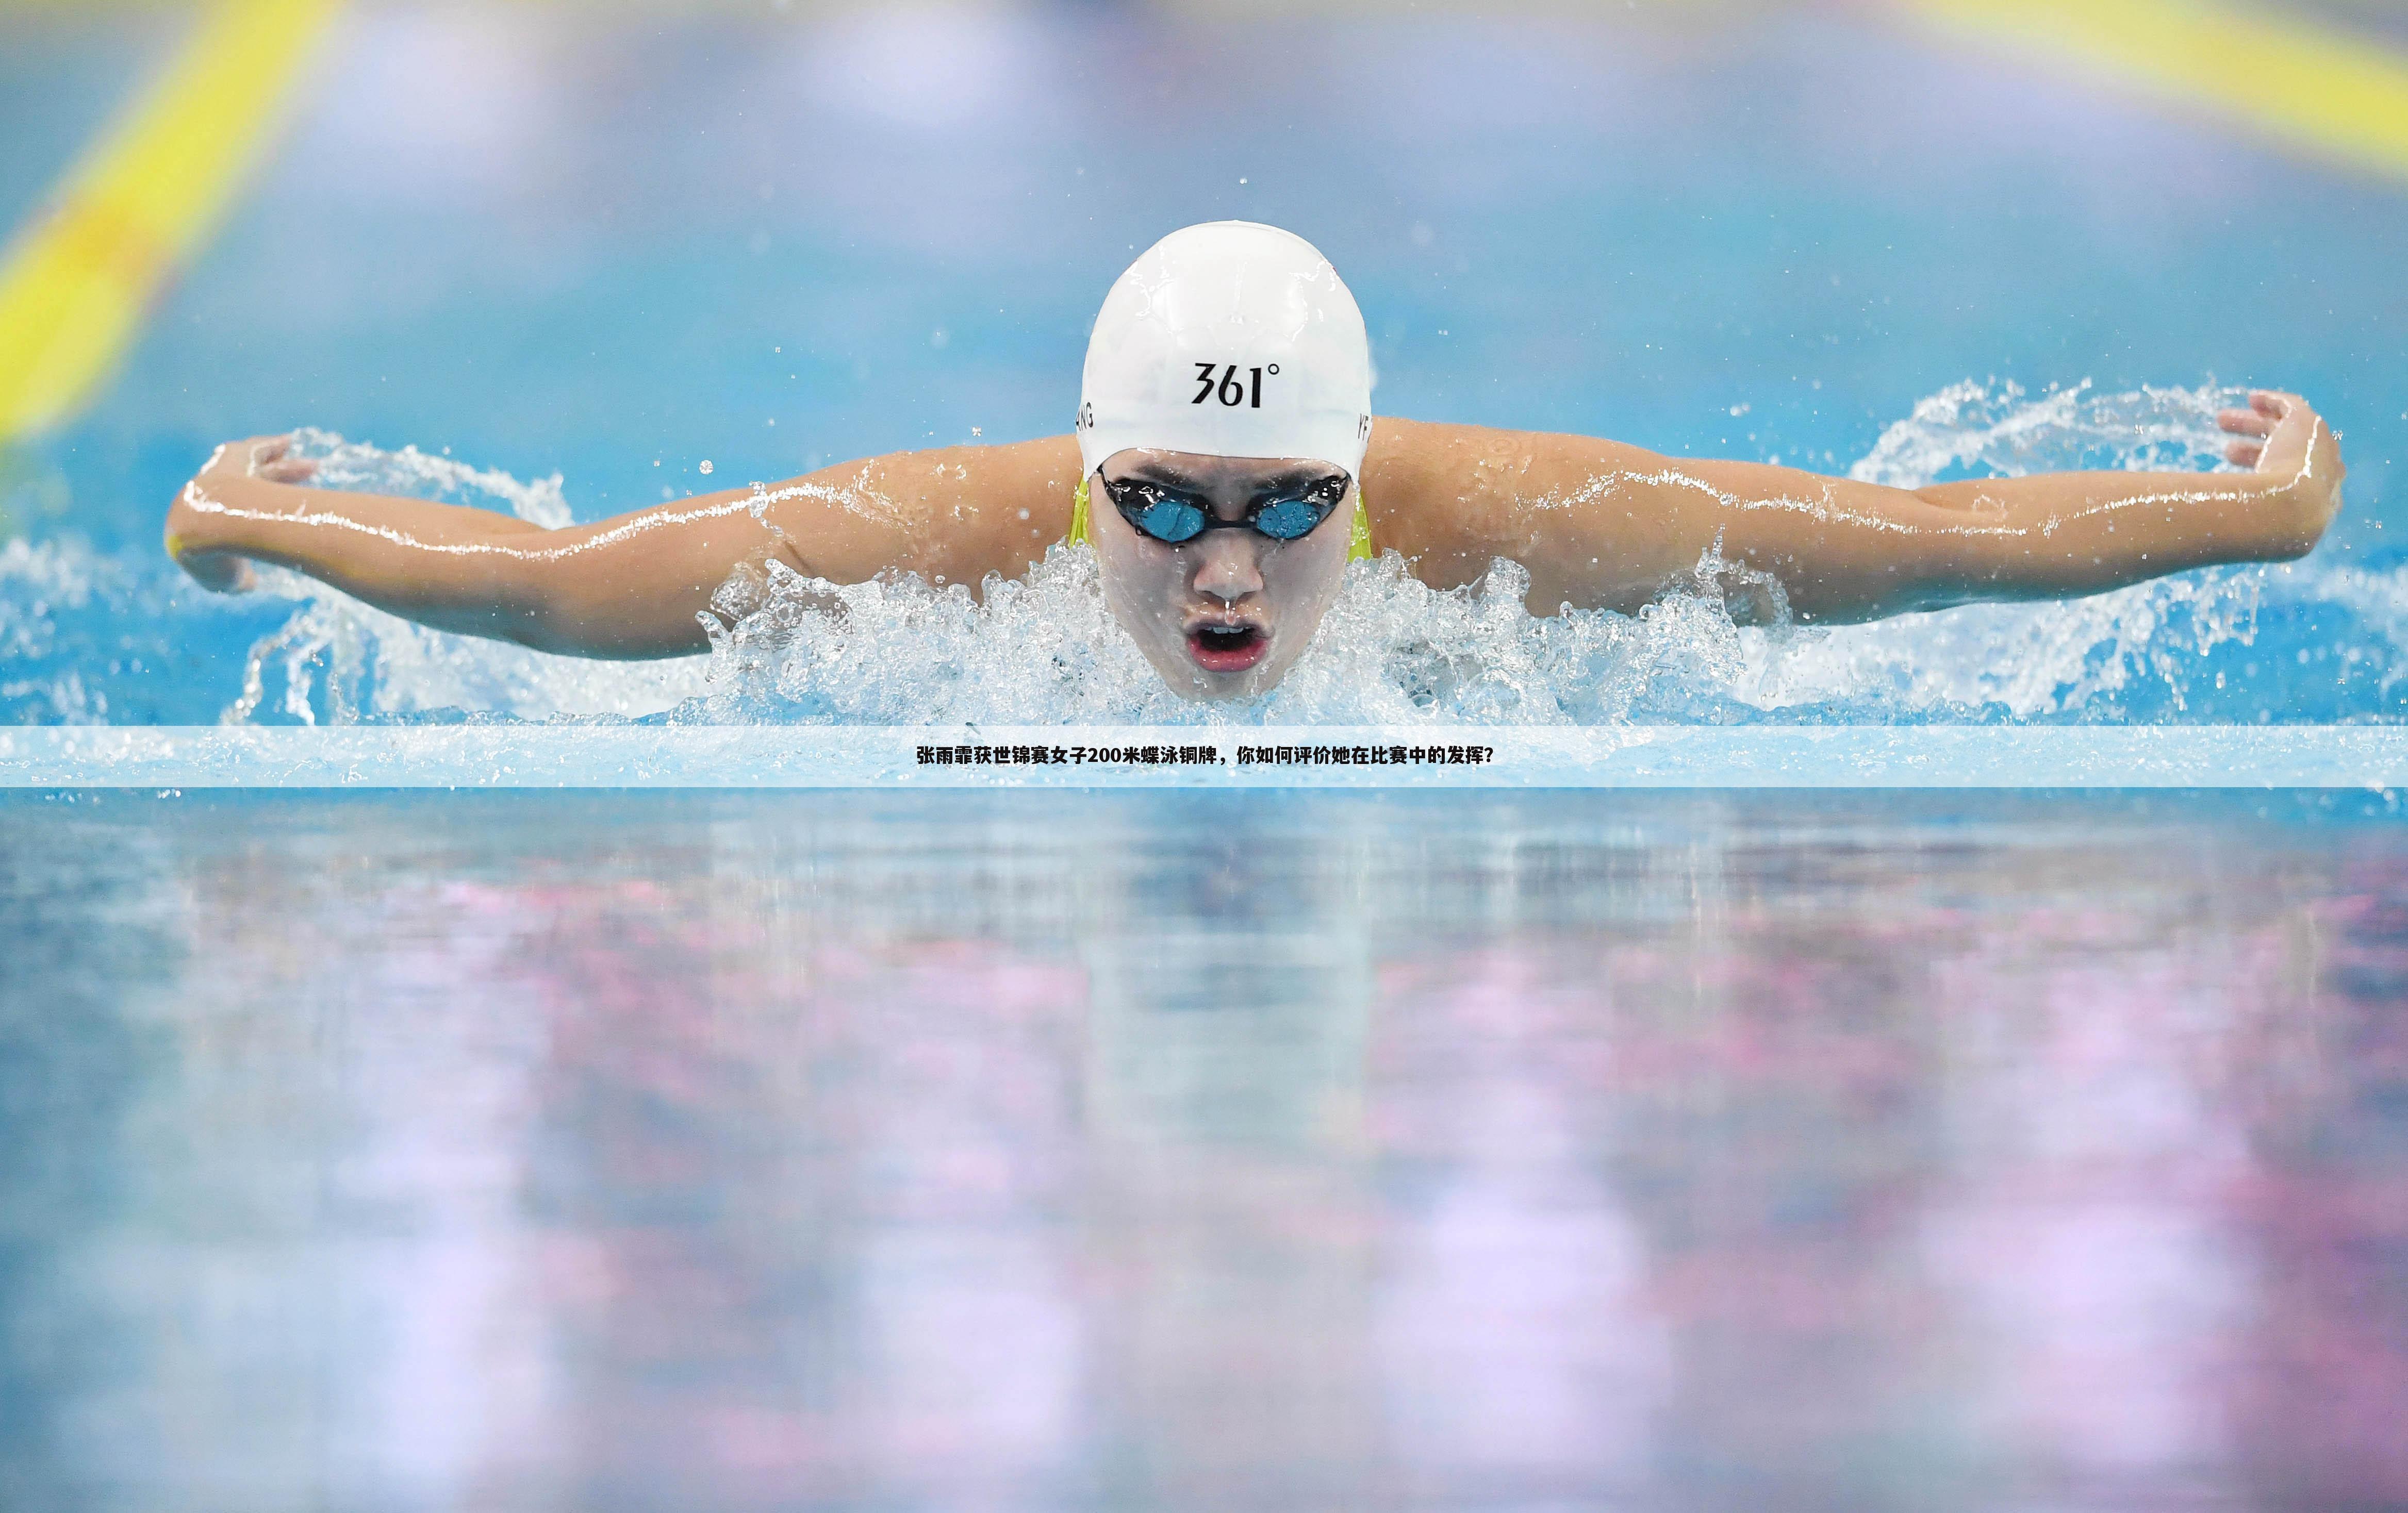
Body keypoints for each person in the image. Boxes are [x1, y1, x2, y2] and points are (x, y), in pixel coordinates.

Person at [164, 222, 2344, 701]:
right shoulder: (927, 546)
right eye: (1166, 508)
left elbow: (1931, 541)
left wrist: (2255, 512)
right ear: (1089, 477)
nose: (1228, 569)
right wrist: (260, 515)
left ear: (1367, 482)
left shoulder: (1526, 529)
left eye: (1292, 506)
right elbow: (557, 582)